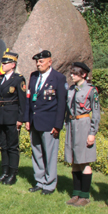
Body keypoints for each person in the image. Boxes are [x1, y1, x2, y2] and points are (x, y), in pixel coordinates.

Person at [25, 49, 67, 194]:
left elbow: (61, 104)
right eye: (37, 61)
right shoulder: (34, 76)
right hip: (34, 121)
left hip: (49, 123)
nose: (38, 64)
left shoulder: (58, 78)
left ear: (50, 61)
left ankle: (49, 184)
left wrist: (58, 125)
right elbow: (29, 98)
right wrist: (27, 119)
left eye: (41, 61)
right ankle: (40, 181)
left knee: (50, 155)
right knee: (37, 153)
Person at [64, 62, 100, 207]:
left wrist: (92, 133)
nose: (72, 75)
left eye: (75, 73)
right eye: (71, 72)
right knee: (74, 160)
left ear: (83, 74)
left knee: (84, 161)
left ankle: (84, 196)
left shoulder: (91, 90)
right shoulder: (71, 89)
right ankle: (76, 193)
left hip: (84, 124)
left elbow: (96, 113)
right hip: (72, 125)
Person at [0, 51, 27, 185]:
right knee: (3, 145)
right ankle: (4, 172)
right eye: (3, 62)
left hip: (12, 116)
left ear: (12, 65)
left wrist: (20, 119)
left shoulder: (18, 79)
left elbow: (22, 101)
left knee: (12, 146)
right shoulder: (0, 79)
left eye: (5, 63)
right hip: (0, 115)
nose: (3, 65)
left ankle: (12, 174)